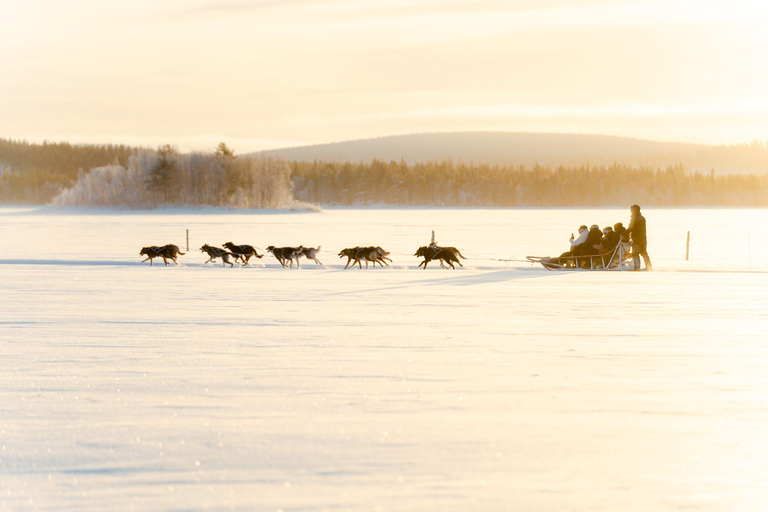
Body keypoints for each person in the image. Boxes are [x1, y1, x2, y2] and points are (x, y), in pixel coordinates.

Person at [625, 204, 652, 270]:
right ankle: (649, 267)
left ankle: (636, 267)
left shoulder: (635, 218)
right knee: (644, 253)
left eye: (631, 210)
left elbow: (631, 228)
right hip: (643, 238)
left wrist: (624, 233)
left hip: (636, 238)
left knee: (635, 253)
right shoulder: (642, 218)